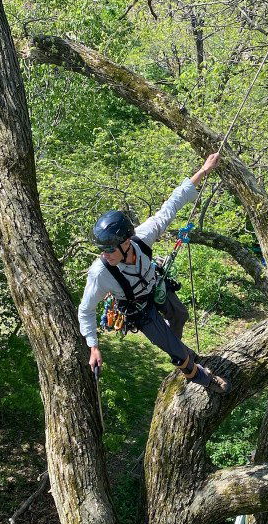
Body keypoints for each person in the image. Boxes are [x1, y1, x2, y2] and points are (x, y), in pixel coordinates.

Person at [78, 153, 229, 394]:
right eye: (102, 250)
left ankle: (177, 345)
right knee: (174, 348)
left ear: (125, 242)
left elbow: (170, 207)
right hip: (139, 310)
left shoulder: (142, 238)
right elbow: (85, 310)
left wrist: (203, 170)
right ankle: (200, 376)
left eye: (109, 248)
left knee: (180, 315)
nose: (105, 254)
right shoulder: (101, 273)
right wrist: (93, 346)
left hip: (154, 286)